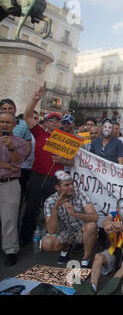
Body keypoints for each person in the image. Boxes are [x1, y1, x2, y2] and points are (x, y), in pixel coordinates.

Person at [20, 87, 74, 246]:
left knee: (56, 210)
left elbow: (71, 162)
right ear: (46, 122)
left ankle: (55, 238)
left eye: (58, 120)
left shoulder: (67, 139)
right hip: (37, 177)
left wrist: (62, 160)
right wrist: (35, 99)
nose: (55, 122)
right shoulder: (39, 133)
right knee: (30, 209)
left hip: (55, 181)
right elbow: (27, 116)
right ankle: (25, 238)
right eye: (51, 120)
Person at [74, 198, 123, 295]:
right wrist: (112, 225)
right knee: (98, 257)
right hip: (112, 250)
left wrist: (120, 228)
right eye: (122, 207)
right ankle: (92, 287)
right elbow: (105, 222)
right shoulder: (113, 214)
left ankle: (109, 288)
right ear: (117, 209)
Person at [41, 171, 98, 267]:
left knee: (92, 226)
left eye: (72, 183)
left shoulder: (80, 193)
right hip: (64, 232)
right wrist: (55, 207)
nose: (71, 187)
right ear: (57, 187)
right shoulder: (50, 201)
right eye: (66, 185)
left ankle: (85, 259)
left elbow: (95, 217)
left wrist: (74, 214)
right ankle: (66, 248)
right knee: (47, 243)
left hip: (81, 230)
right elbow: (51, 230)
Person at [0, 112, 27, 266]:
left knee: (9, 219)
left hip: (10, 182)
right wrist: (7, 165)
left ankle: (10, 250)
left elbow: (17, 164)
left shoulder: (20, 142)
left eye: (8, 122)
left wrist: (11, 148)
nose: (4, 125)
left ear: (14, 124)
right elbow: (11, 165)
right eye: (1, 121)